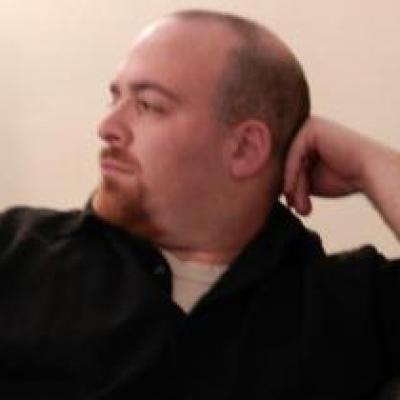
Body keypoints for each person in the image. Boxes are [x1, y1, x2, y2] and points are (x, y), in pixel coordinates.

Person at [0, 9, 398, 400]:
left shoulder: (345, 305)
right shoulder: (17, 251)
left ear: (244, 148)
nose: (107, 128)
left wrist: (366, 163)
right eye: (115, 98)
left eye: (148, 105)